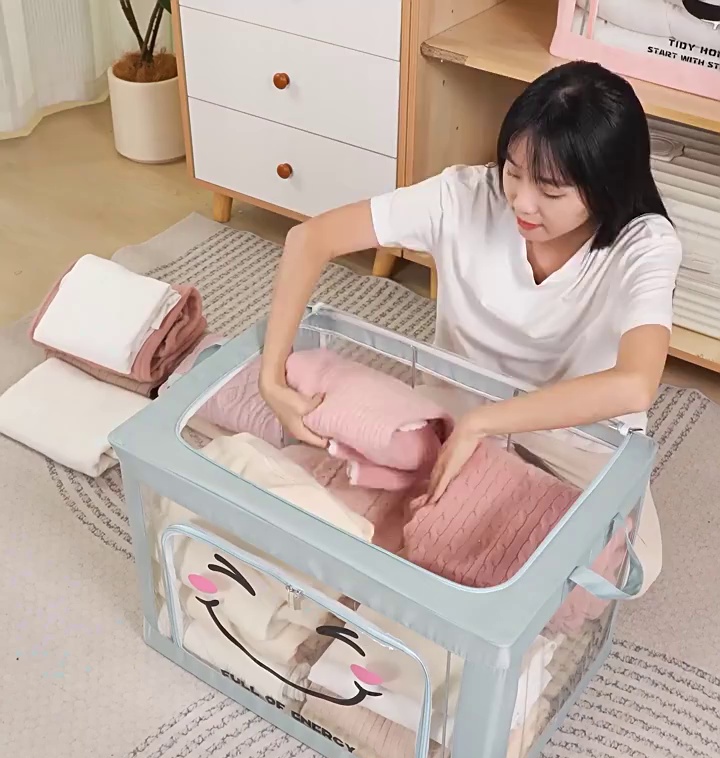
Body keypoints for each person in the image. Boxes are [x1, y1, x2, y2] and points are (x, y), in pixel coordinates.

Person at [259, 61, 683, 595]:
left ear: (606, 186)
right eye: (514, 171)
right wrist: (270, 379)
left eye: (551, 191)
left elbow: (634, 384)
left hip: (577, 439)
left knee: (625, 567)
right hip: (453, 409)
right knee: (346, 492)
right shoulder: (464, 196)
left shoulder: (645, 245)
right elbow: (309, 240)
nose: (522, 201)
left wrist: (486, 424)